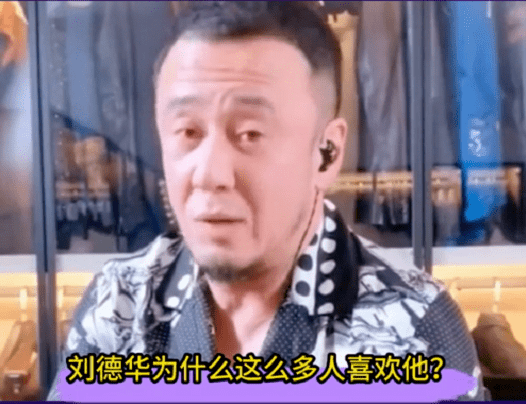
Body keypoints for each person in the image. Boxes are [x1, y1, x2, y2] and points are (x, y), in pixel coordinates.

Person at [48, 2, 485, 400]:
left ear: (327, 153)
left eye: (250, 134)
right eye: (188, 132)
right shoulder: (119, 303)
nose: (209, 174)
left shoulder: (412, 325)